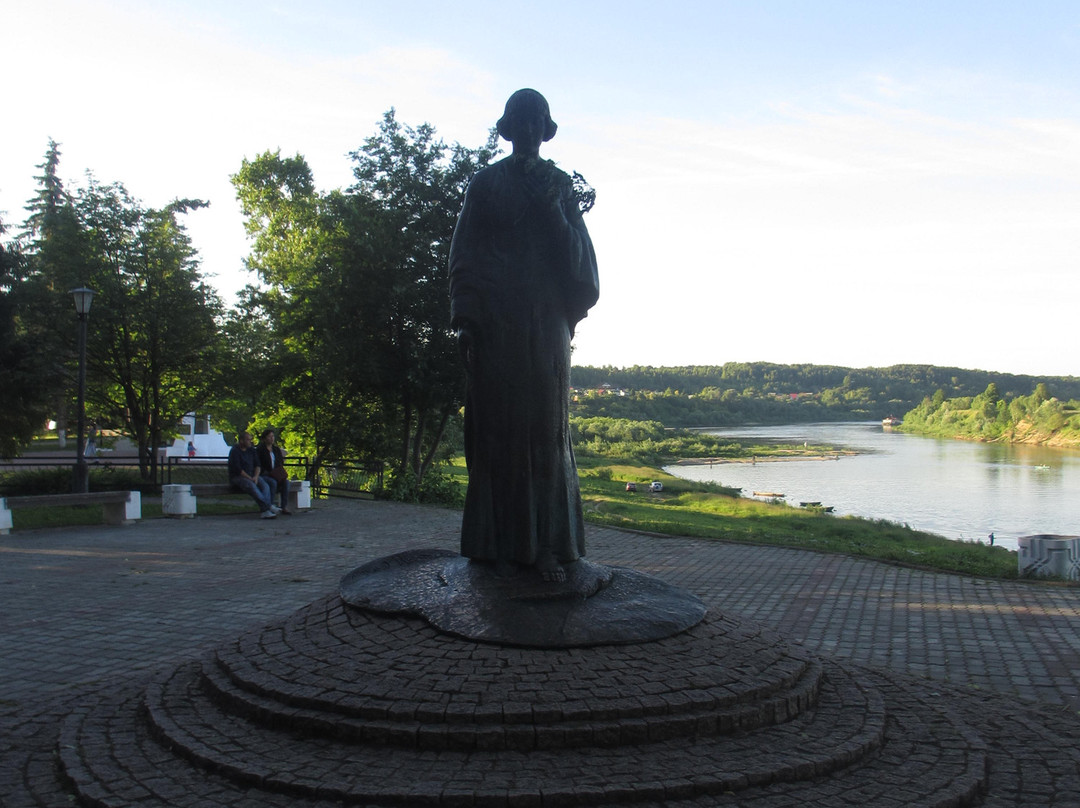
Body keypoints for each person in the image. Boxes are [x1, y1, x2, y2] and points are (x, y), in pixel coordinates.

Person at [449, 89, 599, 581]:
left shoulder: (558, 185)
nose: (531, 128)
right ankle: (496, 545)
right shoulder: (486, 184)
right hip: (496, 322)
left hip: (546, 321)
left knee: (544, 431)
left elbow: (582, 261)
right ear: (509, 127)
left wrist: (554, 213)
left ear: (545, 127)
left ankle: (552, 546)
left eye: (538, 120)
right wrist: (467, 320)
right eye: (522, 119)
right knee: (496, 432)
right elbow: (464, 255)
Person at [228, 431, 277, 518]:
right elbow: (238, 469)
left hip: (253, 475)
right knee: (252, 486)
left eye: (250, 439)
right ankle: (267, 508)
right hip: (239, 477)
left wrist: (256, 476)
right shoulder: (235, 451)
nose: (250, 442)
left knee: (265, 485)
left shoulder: (251, 450)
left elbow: (258, 465)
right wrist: (250, 478)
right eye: (247, 440)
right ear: (241, 441)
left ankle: (266, 508)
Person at [257, 428, 291, 515]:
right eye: (269, 437)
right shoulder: (260, 450)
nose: (272, 438)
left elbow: (279, 462)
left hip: (275, 474)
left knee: (286, 483)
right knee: (272, 482)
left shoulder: (276, 450)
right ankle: (270, 505)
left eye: (272, 436)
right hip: (265, 474)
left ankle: (284, 506)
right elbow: (258, 464)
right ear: (264, 438)